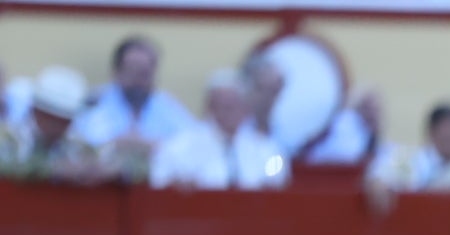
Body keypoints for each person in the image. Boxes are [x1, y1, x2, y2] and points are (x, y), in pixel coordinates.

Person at [67, 37, 194, 176]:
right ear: (116, 72)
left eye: (145, 73)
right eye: (132, 72)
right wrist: (115, 144)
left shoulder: (167, 105)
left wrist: (153, 147)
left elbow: (191, 146)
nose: (138, 80)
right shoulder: (94, 102)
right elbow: (76, 145)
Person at [148, 69, 286, 191]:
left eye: (234, 105)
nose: (227, 113)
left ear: (245, 107)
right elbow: (161, 182)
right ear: (209, 108)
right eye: (221, 105)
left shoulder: (265, 148)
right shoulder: (179, 146)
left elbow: (276, 183)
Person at [365, 102, 450, 212]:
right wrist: (377, 183)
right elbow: (379, 176)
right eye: (448, 129)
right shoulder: (404, 158)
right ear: (432, 130)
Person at [1, 66, 110, 183]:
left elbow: (111, 162)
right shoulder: (9, 138)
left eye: (66, 119)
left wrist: (98, 169)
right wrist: (55, 168)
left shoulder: (78, 145)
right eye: (53, 117)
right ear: (36, 112)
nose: (60, 125)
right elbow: (10, 167)